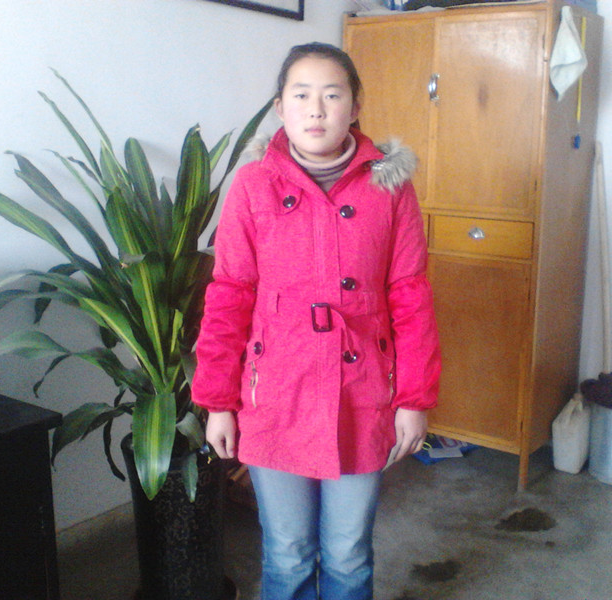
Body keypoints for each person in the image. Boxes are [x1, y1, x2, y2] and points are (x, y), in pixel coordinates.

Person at [191, 42, 441, 600]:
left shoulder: (389, 188)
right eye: (301, 95)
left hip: (362, 391)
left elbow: (411, 295)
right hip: (276, 394)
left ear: (355, 106)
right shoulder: (253, 185)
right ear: (281, 107)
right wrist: (218, 401)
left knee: (349, 552)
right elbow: (228, 296)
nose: (316, 109)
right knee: (288, 550)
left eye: (332, 95)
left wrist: (414, 398)